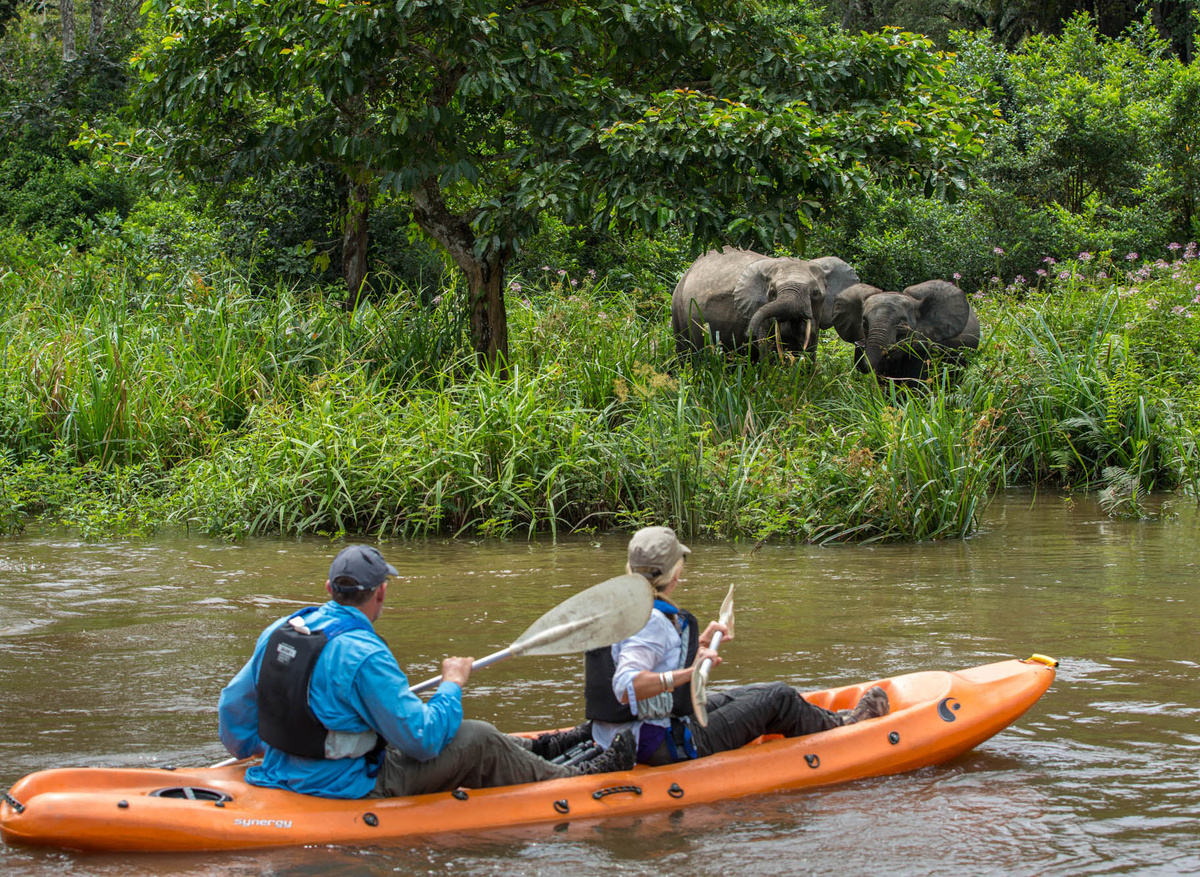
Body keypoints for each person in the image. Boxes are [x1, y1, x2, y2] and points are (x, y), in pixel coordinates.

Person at [218, 544, 635, 799]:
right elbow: (423, 741)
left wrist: (262, 751)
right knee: (477, 739)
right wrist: (452, 685)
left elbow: (232, 707)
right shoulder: (365, 654)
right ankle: (574, 777)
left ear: (329, 589)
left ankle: (543, 746)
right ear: (381, 592)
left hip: (281, 769)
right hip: (346, 784)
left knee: (455, 730)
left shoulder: (282, 629)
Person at [576, 526, 889, 765]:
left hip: (623, 733)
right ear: (673, 574)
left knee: (755, 692)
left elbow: (637, 654)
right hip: (657, 743)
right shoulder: (654, 620)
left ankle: (831, 719)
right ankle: (847, 726)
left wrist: (697, 643)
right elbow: (626, 684)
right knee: (779, 697)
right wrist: (691, 673)